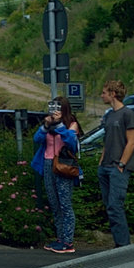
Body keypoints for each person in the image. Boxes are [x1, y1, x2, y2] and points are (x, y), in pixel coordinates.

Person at [31, 96, 81, 254]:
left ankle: (68, 241)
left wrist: (59, 124)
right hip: (47, 163)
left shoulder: (71, 124)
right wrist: (46, 125)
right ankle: (60, 238)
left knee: (65, 203)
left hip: (63, 165)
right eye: (53, 107)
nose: (55, 111)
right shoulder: (49, 125)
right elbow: (37, 139)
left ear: (64, 109)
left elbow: (71, 143)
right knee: (54, 203)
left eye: (58, 108)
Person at [97, 80, 134, 247]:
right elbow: (107, 141)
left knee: (115, 206)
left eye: (104, 92)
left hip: (118, 167)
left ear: (113, 94)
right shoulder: (108, 115)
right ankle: (119, 244)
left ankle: (123, 247)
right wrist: (101, 163)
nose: (102, 95)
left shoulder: (127, 114)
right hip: (105, 166)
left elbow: (131, 142)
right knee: (110, 207)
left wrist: (121, 164)